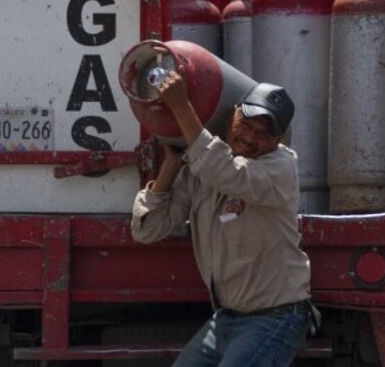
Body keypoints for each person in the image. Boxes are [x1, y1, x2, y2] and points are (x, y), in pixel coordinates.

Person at [130, 72, 314, 367]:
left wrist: (181, 107)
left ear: (277, 141)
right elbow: (148, 229)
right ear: (232, 116)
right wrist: (171, 166)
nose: (250, 138)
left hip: (275, 318)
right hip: (227, 318)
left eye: (263, 134)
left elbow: (224, 171)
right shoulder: (201, 170)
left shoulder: (279, 166)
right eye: (246, 125)